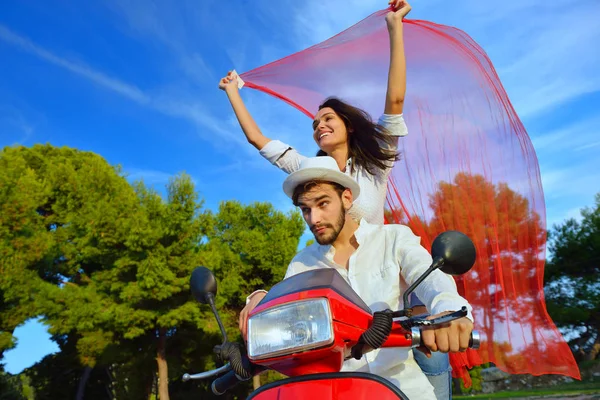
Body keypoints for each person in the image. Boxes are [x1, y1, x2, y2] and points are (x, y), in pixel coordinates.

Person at [220, 1, 453, 397]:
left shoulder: (373, 166)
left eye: (328, 118)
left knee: (430, 349)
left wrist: (395, 28)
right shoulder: (310, 173)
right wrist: (232, 92)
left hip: (387, 278)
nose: (319, 125)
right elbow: (260, 141)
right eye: (314, 124)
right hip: (336, 302)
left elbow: (394, 101)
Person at [240, 156, 474, 399]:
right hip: (332, 390)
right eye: (305, 210)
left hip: (401, 385)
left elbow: (431, 279)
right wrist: (260, 298)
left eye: (322, 204)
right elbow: (285, 311)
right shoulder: (302, 263)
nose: (314, 219)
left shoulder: (392, 238)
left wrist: (448, 311)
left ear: (347, 198)